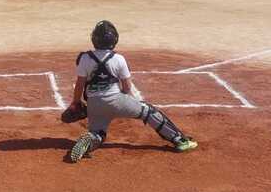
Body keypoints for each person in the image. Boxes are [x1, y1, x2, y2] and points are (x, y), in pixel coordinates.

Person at [67, 20, 198, 162]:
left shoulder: (85, 58)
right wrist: (128, 104)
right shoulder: (118, 59)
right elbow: (127, 88)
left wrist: (75, 103)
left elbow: (79, 85)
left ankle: (90, 139)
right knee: (149, 112)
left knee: (98, 132)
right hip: (117, 101)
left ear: (94, 39)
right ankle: (180, 141)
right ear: (114, 39)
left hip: (94, 104)